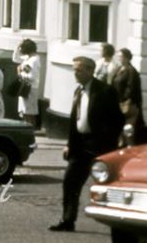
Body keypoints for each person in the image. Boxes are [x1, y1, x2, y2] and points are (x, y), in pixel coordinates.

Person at [50, 56, 123, 232]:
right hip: (80, 146)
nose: (75, 73)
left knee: (106, 185)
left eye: (79, 70)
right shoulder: (78, 91)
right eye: (74, 69)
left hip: (100, 146)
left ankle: (118, 225)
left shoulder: (105, 91)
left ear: (90, 71)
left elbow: (118, 120)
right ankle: (68, 220)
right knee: (70, 182)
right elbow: (75, 121)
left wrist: (108, 142)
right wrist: (69, 144)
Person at [112, 48, 144, 131]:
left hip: (126, 104)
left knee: (127, 126)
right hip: (117, 101)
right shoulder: (119, 69)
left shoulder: (131, 71)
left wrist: (124, 99)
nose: (119, 58)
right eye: (118, 56)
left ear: (127, 58)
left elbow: (131, 88)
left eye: (121, 56)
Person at [14, 38, 41, 128]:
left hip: (30, 88)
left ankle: (31, 132)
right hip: (25, 87)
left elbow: (32, 77)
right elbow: (15, 58)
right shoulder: (28, 58)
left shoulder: (34, 61)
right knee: (25, 111)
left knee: (29, 113)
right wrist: (18, 45)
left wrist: (19, 73)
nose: (21, 50)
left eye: (22, 48)